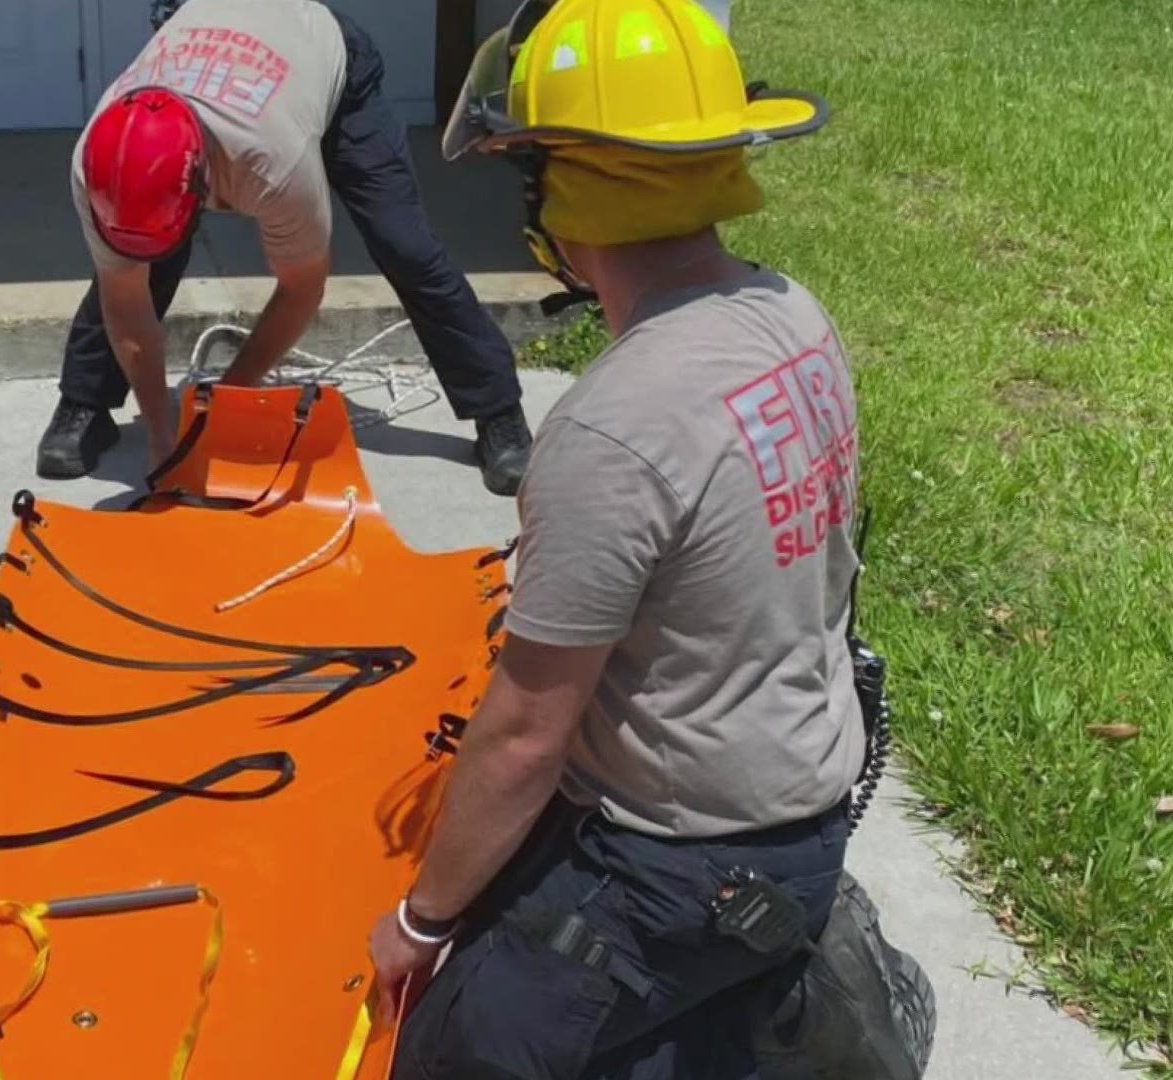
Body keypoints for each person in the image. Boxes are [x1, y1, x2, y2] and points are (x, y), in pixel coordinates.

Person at [366, 0, 872, 1076]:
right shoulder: (794, 315)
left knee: (450, 1049)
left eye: (532, 171)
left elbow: (523, 737)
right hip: (804, 805)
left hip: (686, 864)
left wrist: (419, 921)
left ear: (569, 189)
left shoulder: (614, 425)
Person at [38, 0, 536, 497]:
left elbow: (302, 288)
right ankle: (86, 402)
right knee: (143, 258)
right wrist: (161, 431)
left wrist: (223, 409)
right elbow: (124, 299)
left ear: (203, 178)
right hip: (226, 57)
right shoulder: (98, 160)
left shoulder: (270, 159)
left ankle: (498, 413)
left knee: (402, 243)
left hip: (326, 60)